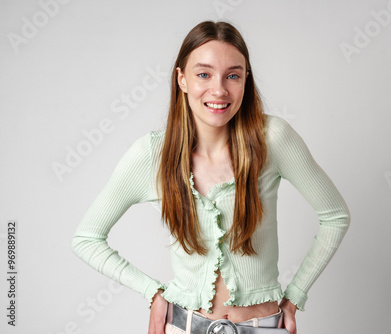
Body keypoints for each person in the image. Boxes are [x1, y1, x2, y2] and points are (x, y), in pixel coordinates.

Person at [72, 20, 350, 334]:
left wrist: (296, 294)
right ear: (182, 79)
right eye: (204, 74)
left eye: (233, 75)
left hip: (262, 326)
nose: (219, 89)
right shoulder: (152, 154)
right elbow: (87, 238)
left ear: (246, 80)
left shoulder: (273, 139)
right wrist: (152, 291)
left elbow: (335, 216)